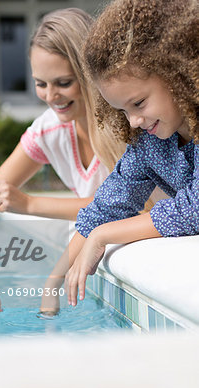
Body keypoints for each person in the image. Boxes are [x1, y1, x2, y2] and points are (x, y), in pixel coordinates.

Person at [0, 8, 126, 315]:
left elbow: (129, 206)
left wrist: (31, 204)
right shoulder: (50, 129)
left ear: (88, 72)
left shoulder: (127, 122)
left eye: (63, 82)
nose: (51, 96)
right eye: (40, 83)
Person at [43, 0, 198, 309]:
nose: (133, 121)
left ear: (179, 73)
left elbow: (194, 210)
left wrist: (103, 236)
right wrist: (53, 284)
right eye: (122, 110)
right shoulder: (150, 143)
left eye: (138, 103)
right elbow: (105, 207)